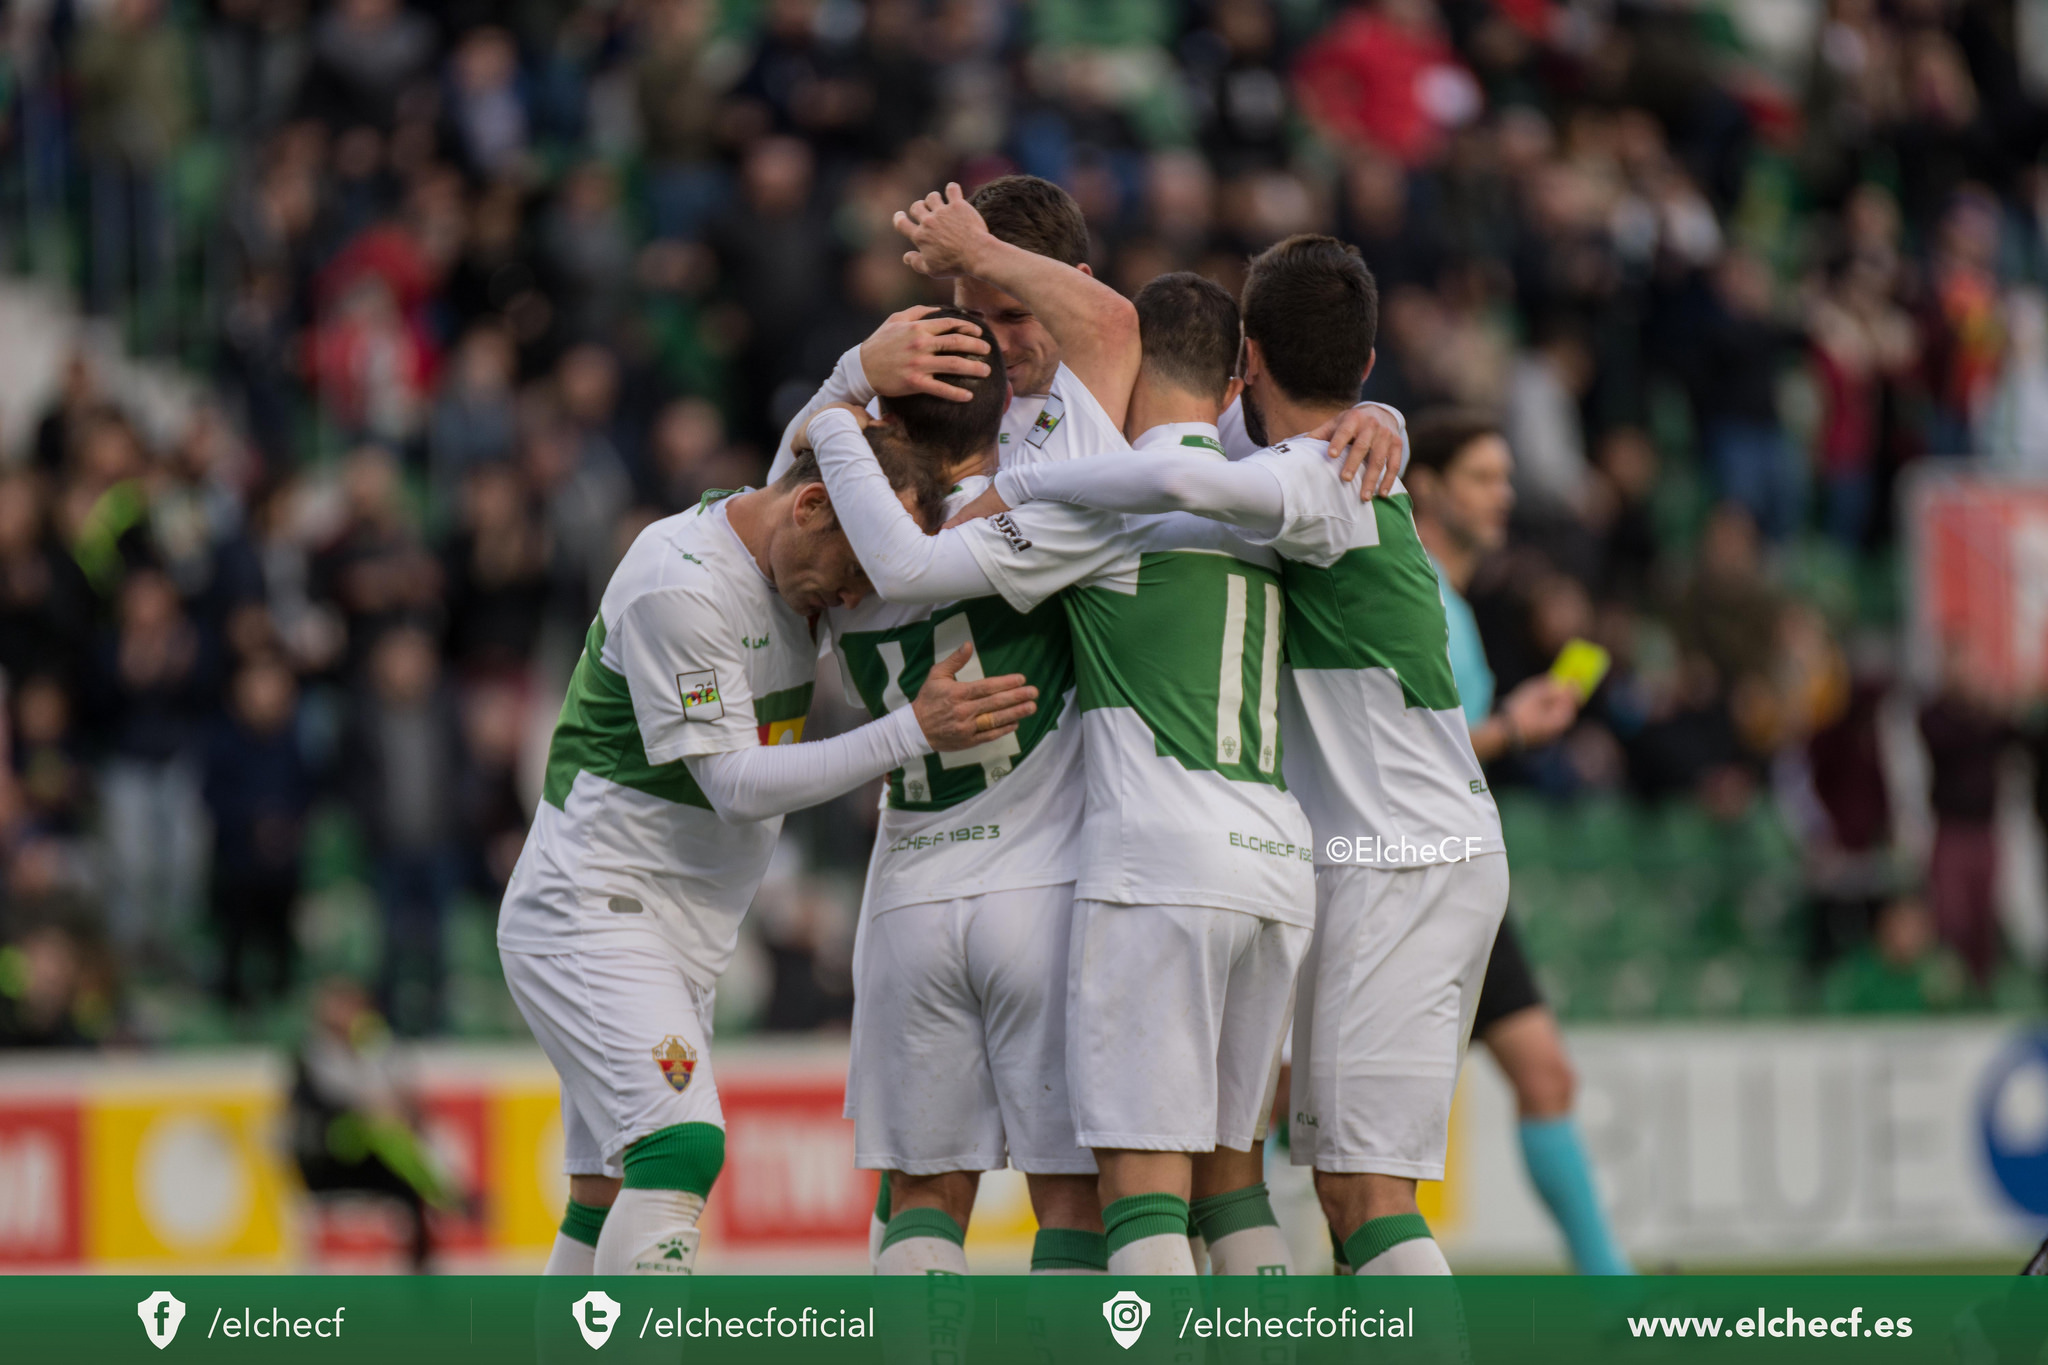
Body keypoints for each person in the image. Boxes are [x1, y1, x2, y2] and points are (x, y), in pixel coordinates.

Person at [972, 232, 1508, 1277]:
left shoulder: (1316, 479)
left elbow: (1191, 484)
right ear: (1357, 365)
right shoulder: (1328, 454)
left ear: (1249, 357)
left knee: (1361, 1190)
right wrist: (1384, 412)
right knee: (1309, 1186)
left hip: (1397, 862)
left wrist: (1020, 487)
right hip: (1358, 858)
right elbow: (1197, 439)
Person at [497, 440, 1040, 1277]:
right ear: (812, 506)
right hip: (593, 909)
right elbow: (736, 784)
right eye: (856, 566)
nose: (856, 595)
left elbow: (824, 436)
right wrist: (909, 732)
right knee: (680, 1147)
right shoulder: (681, 581)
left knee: (607, 1188)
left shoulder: (795, 556)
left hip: (677, 930)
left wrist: (859, 379)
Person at [1403, 407, 1635, 1277]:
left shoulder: (1452, 598)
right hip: (1407, 875)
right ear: (1427, 485)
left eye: (1505, 477)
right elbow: (1400, 747)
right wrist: (1511, 728)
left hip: (1458, 872)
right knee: (1319, 1111)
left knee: (1545, 1074)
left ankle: (1613, 1297)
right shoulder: (1414, 588)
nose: (1503, 496)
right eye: (1483, 478)